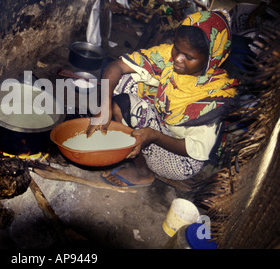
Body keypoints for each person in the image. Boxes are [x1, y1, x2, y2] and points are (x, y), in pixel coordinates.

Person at [87, 10, 239, 186]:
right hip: (161, 123)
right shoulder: (168, 56)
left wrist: (154, 136)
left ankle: (143, 171)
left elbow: (196, 150)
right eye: (176, 48)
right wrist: (104, 107)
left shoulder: (216, 97)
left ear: (211, 59)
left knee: (125, 105)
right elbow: (117, 66)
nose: (177, 59)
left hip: (180, 159)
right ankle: (129, 142)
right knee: (123, 80)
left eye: (189, 57)